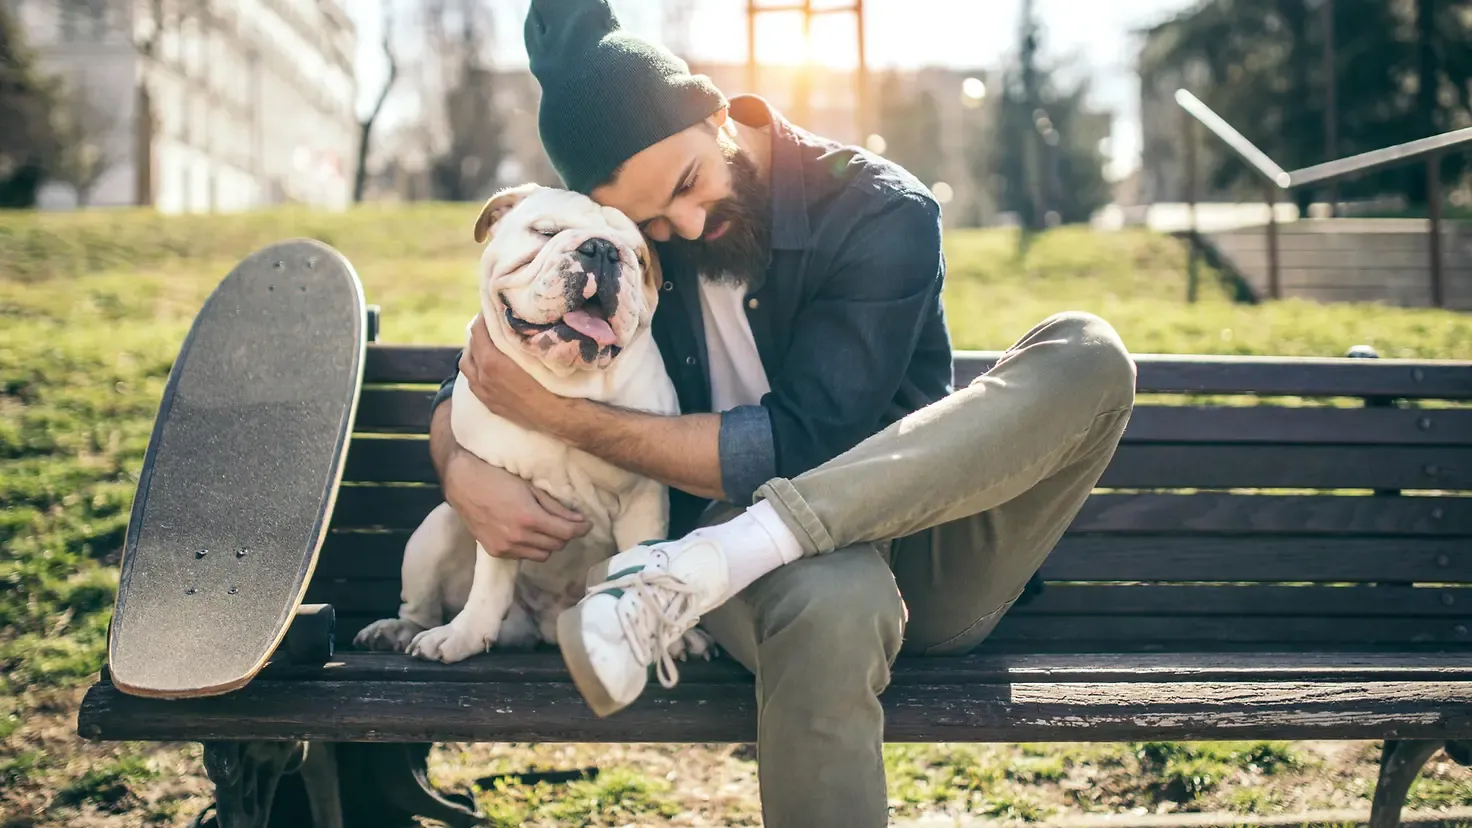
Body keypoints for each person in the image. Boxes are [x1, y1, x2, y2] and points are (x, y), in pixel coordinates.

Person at [427, 1, 1137, 824]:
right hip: (794, 586)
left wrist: (577, 427)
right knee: (835, 603)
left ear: (718, 113)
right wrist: (459, 466)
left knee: (1088, 351)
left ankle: (711, 561)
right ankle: (724, 558)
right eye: (653, 224)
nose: (686, 225)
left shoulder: (879, 211)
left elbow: (809, 440)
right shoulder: (628, 260)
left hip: (925, 546)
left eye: (689, 184)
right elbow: (488, 375)